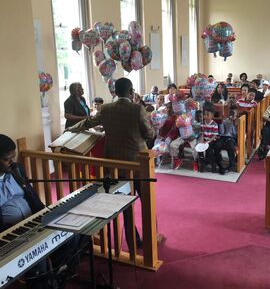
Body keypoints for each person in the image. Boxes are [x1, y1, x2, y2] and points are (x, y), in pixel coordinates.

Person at [67, 78, 155, 248]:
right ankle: (151, 239)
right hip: (138, 162)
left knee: (125, 203)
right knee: (146, 200)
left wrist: (70, 129)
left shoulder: (106, 108)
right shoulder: (137, 109)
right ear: (131, 92)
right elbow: (149, 134)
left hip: (114, 163)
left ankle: (132, 240)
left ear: (115, 91)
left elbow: (88, 122)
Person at [0, 134, 86, 289]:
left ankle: (56, 272)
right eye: (7, 159)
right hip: (10, 232)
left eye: (13, 157)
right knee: (37, 255)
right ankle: (46, 279)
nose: (12, 162)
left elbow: (31, 196)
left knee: (76, 234)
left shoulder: (16, 169)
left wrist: (49, 213)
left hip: (33, 220)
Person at [198, 106, 225, 174]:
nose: (206, 116)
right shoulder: (202, 123)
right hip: (205, 139)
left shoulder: (214, 124)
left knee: (209, 149)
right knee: (199, 148)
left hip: (212, 139)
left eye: (208, 114)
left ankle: (213, 164)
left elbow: (215, 135)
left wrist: (209, 141)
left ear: (212, 116)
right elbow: (202, 133)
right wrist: (202, 140)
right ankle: (202, 162)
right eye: (205, 114)